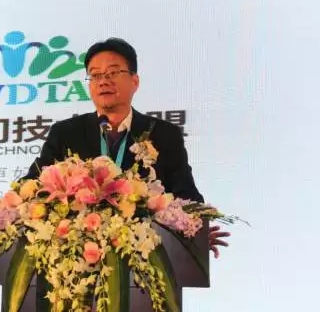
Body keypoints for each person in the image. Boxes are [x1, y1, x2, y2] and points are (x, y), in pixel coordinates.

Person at [24, 37, 230, 257]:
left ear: (134, 81)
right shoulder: (66, 133)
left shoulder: (164, 134)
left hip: (146, 252)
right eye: (95, 75)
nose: (103, 81)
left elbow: (185, 192)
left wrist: (196, 227)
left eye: (113, 73)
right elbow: (32, 186)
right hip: (76, 255)